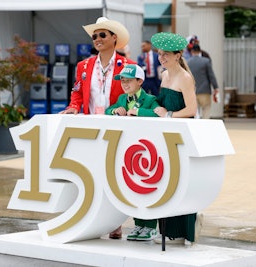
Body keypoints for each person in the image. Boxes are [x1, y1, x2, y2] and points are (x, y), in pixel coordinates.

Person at [59, 16, 135, 239]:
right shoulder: (83, 66)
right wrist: (74, 107)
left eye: (102, 35)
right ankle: (93, 218)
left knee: (115, 174)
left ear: (114, 38)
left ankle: (114, 222)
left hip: (118, 129)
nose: (97, 39)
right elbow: (77, 91)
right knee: (92, 173)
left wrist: (128, 108)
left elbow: (135, 95)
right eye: (94, 36)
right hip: (91, 127)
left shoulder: (129, 66)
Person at [150, 32, 203, 246]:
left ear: (178, 55)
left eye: (166, 55)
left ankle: (184, 230)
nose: (161, 58)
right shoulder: (164, 75)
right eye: (160, 54)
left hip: (181, 136)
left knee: (181, 183)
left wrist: (169, 115)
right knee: (165, 181)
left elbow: (191, 109)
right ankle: (167, 230)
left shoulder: (185, 78)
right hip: (165, 136)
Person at [105, 64, 160, 241]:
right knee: (132, 188)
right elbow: (107, 110)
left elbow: (158, 115)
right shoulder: (122, 98)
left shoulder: (150, 99)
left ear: (140, 81)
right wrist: (115, 111)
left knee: (146, 187)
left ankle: (150, 226)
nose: (125, 84)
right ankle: (138, 225)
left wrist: (139, 112)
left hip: (147, 151)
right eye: (122, 81)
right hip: (128, 151)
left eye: (128, 81)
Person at [187, 44, 219, 119]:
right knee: (206, 109)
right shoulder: (206, 61)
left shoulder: (188, 62)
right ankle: (205, 126)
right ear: (200, 51)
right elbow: (211, 75)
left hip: (193, 91)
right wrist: (216, 87)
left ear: (192, 51)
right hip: (205, 91)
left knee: (195, 112)